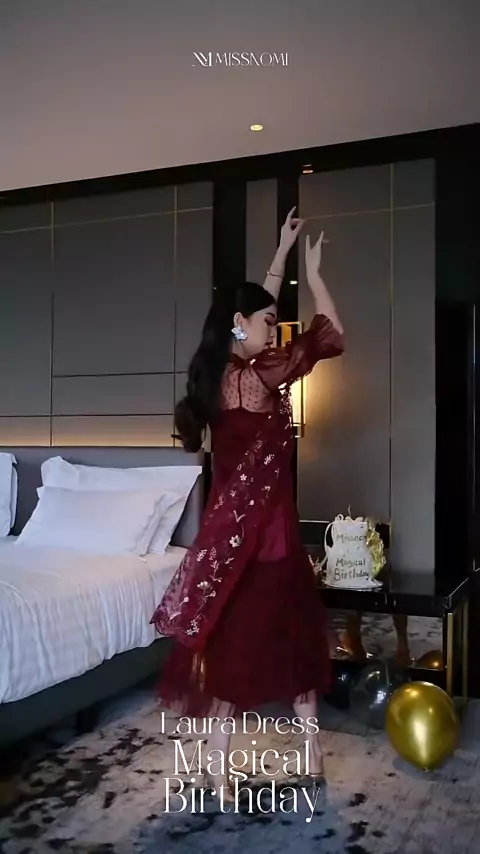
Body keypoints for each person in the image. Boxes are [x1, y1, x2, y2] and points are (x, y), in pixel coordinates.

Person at [150, 208, 344, 799]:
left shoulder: (217, 380)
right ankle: (311, 755)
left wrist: (281, 251)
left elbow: (255, 307)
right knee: (297, 645)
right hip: (273, 541)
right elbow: (332, 333)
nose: (274, 330)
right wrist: (314, 276)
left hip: (229, 545)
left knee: (232, 655)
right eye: (268, 322)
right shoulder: (263, 376)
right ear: (241, 324)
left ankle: (215, 767)